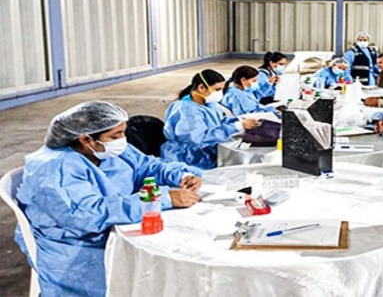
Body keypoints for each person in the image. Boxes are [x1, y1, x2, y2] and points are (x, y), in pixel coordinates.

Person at [14, 101, 204, 296]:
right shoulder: (56, 168)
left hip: (114, 223)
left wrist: (180, 175)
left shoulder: (106, 148)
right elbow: (86, 215)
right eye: (116, 135)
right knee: (154, 274)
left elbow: (146, 165)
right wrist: (160, 198)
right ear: (86, 139)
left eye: (123, 132)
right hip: (77, 246)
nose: (122, 139)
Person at [161, 70, 261, 169]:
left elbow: (219, 121)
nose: (220, 93)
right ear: (201, 88)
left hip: (206, 151)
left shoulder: (209, 103)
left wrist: (239, 121)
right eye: (217, 90)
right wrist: (236, 127)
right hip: (188, 157)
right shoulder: (186, 109)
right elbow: (199, 138)